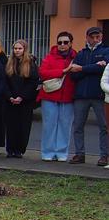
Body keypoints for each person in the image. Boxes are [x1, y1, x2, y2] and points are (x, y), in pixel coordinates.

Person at [67, 26, 109, 166]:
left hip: (99, 95)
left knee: (104, 127)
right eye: (92, 37)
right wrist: (93, 68)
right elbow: (73, 75)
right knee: (78, 126)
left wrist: (82, 68)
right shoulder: (81, 53)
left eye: (98, 36)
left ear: (101, 37)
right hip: (81, 95)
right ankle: (80, 154)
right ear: (87, 38)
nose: (95, 39)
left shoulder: (106, 51)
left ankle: (104, 156)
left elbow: (104, 69)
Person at [37, 31, 77, 162]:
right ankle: (47, 152)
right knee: (49, 125)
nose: (62, 45)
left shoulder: (76, 58)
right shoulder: (49, 57)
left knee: (65, 126)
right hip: (49, 96)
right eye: (60, 42)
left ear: (70, 43)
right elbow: (43, 73)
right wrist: (62, 71)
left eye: (65, 42)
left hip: (68, 96)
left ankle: (61, 152)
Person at [3, 40, 39, 158]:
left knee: (23, 126)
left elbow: (33, 82)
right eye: (15, 48)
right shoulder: (9, 63)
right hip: (10, 101)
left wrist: (21, 97)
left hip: (25, 101)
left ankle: (19, 150)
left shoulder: (31, 64)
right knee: (11, 126)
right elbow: (5, 82)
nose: (17, 51)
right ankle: (10, 149)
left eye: (20, 49)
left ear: (24, 50)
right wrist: (9, 96)